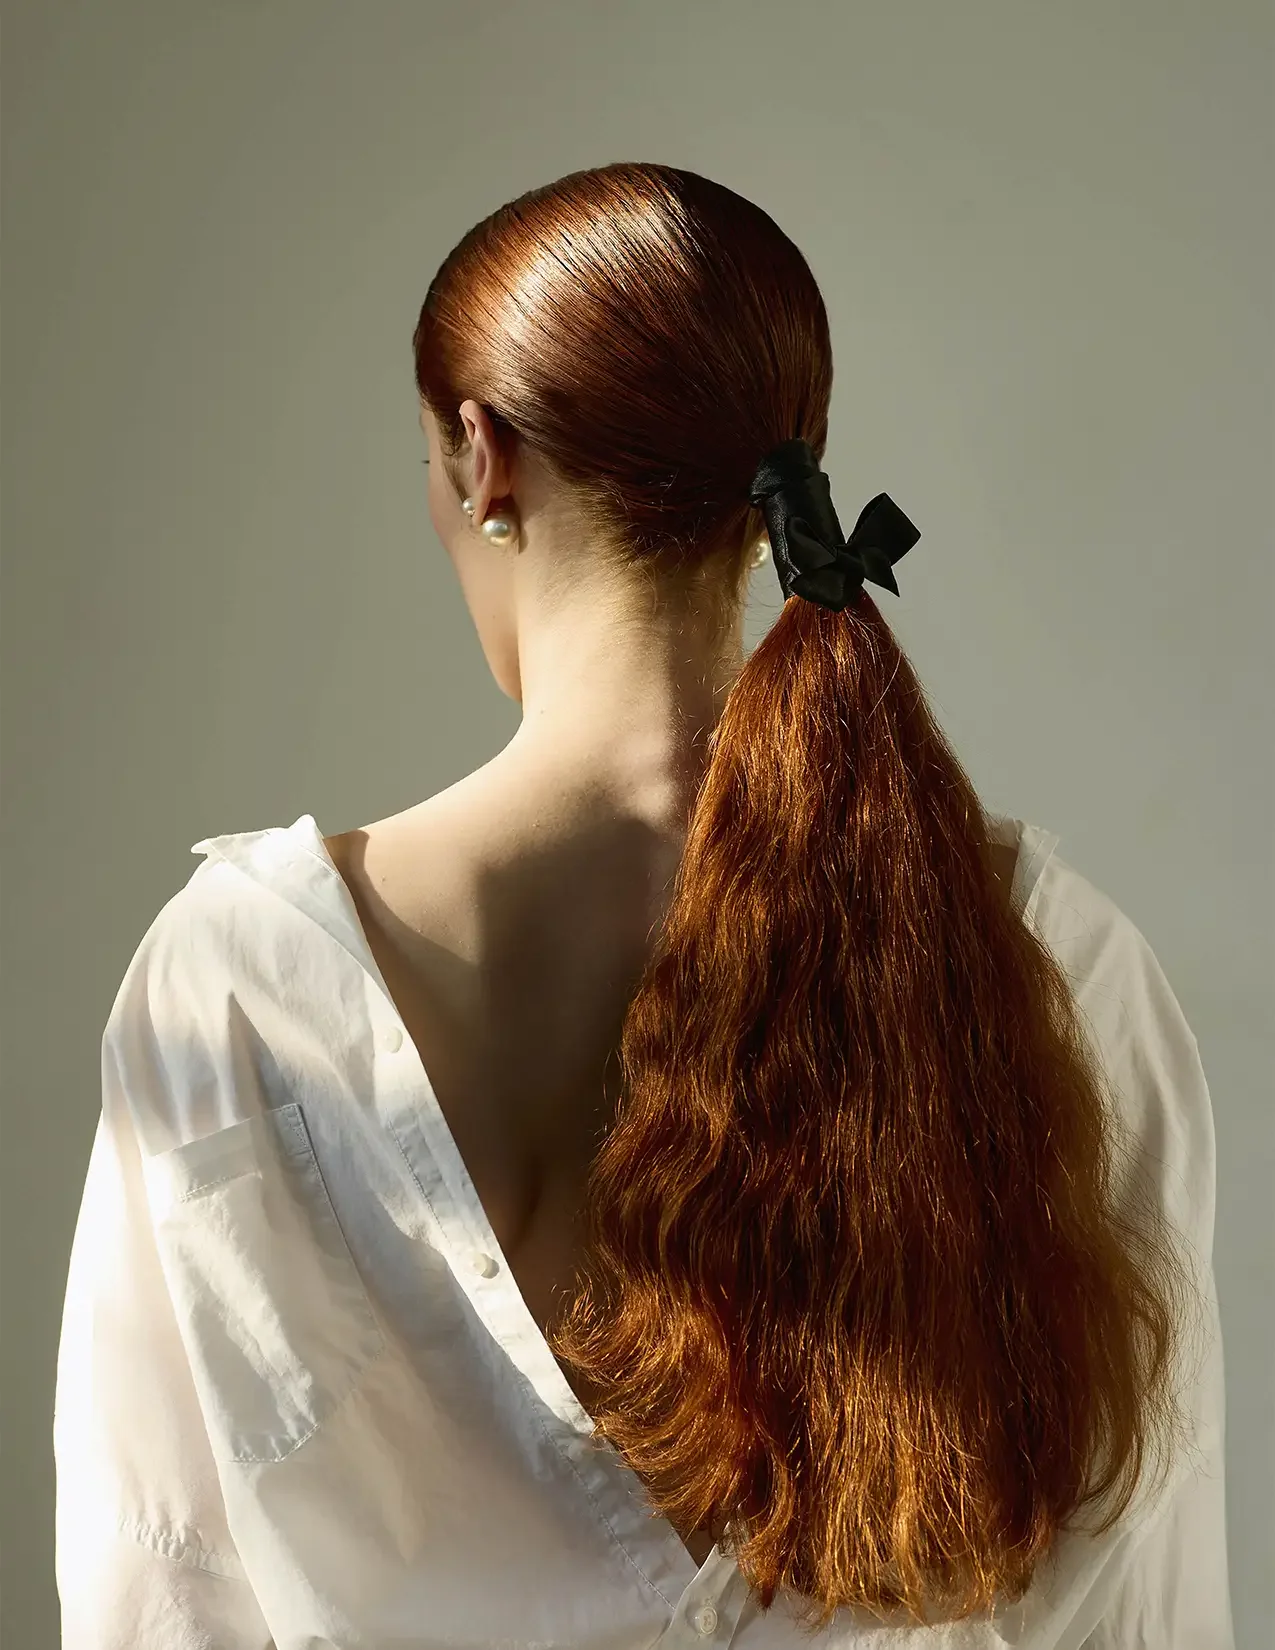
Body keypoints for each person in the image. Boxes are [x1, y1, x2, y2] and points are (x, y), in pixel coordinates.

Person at [54, 161, 1233, 1646]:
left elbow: (158, 1587)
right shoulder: (1055, 956)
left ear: (480, 458)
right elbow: (1146, 1597)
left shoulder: (233, 988)